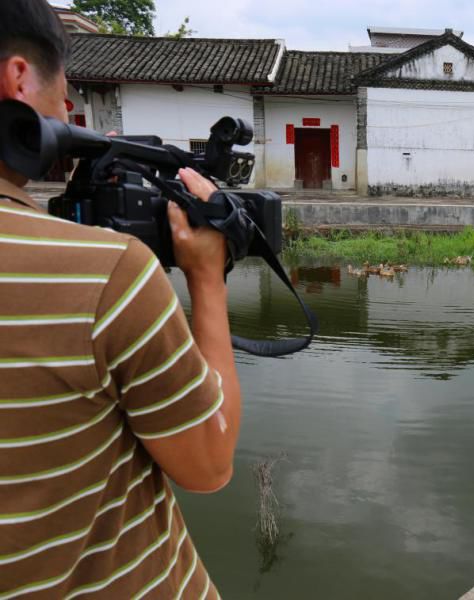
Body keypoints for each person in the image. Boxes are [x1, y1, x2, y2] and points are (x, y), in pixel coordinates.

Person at [0, 0, 240, 596]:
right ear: (20, 79)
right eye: (66, 94)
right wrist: (207, 278)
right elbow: (209, 466)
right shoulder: (103, 274)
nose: (68, 110)